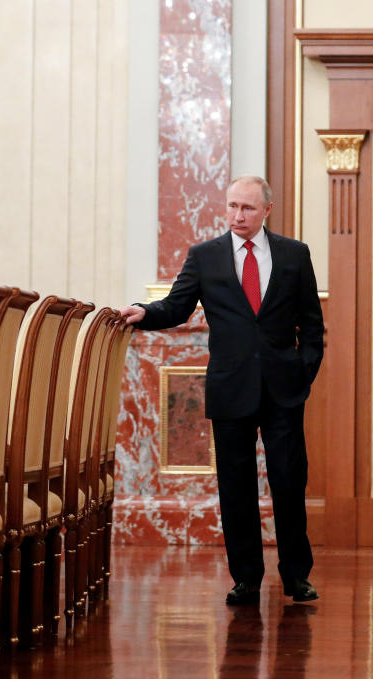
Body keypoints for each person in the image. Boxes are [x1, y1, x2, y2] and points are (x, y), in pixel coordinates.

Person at [119, 175, 324, 605]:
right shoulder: (205, 256)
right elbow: (176, 306)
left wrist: (302, 374)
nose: (237, 215)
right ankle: (246, 578)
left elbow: (313, 325)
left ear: (267, 209)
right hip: (231, 388)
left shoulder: (294, 254)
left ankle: (296, 577)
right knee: (236, 486)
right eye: (232, 206)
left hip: (284, 390)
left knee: (288, 482)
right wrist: (143, 311)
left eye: (247, 208)